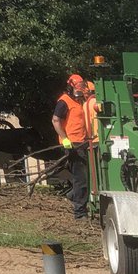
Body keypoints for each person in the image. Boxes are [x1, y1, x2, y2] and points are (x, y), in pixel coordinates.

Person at [51, 73, 90, 220]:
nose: (81, 88)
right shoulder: (64, 101)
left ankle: (72, 195)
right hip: (73, 144)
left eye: (82, 85)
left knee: (85, 177)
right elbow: (55, 120)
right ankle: (80, 213)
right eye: (78, 85)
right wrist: (65, 139)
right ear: (71, 86)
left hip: (83, 142)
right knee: (80, 178)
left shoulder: (80, 101)